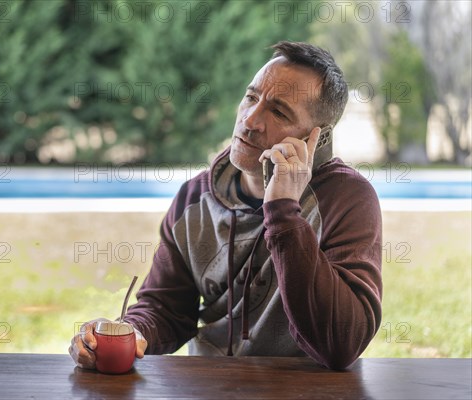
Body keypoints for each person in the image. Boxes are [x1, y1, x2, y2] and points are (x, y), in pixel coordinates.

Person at [69, 41, 382, 370]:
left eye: (278, 111)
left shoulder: (347, 199)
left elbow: (342, 343)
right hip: (212, 387)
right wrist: (131, 333)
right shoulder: (195, 198)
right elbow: (166, 309)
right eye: (250, 97)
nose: (250, 120)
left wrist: (283, 212)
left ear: (319, 139)